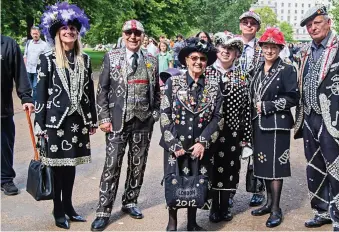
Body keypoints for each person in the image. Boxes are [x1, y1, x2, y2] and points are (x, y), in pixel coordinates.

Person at [294, 6, 339, 231]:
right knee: (314, 168)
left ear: (329, 22)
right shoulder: (305, 50)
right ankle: (322, 211)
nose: (312, 28)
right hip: (309, 118)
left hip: (334, 118)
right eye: (308, 25)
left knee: (337, 169)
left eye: (316, 23)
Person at [91, 19, 160, 231]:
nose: (133, 37)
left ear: (143, 36)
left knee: (138, 164)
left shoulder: (151, 59)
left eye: (137, 33)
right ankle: (103, 210)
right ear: (123, 34)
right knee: (112, 165)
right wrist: (103, 118)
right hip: (117, 121)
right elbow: (102, 90)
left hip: (143, 121)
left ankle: (130, 201)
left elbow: (157, 90)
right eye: (129, 33)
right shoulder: (112, 57)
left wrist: (155, 113)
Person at [34, 2, 97, 229]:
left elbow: (88, 92)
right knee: (57, 168)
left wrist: (92, 119)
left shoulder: (85, 60)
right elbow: (39, 93)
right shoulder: (47, 58)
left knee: (71, 167)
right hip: (55, 122)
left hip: (78, 121)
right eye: (64, 29)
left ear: (77, 32)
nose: (69, 31)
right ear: (57, 33)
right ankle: (58, 209)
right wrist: (39, 124)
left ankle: (69, 206)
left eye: (72, 28)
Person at [160, 37, 221, 231]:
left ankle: (193, 222)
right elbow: (164, 114)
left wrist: (203, 141)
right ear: (186, 60)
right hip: (175, 144)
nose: (198, 62)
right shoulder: (173, 82)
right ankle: (172, 222)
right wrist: (174, 144)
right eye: (194, 58)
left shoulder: (213, 86)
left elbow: (219, 118)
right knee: (174, 180)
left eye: (202, 59)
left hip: (199, 146)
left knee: (197, 181)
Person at [249, 27, 299, 228]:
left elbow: (293, 97)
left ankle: (277, 209)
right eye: (266, 46)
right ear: (261, 47)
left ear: (280, 49)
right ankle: (268, 203)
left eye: (273, 47)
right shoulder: (256, 69)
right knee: (262, 165)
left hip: (277, 125)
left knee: (276, 167)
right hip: (258, 124)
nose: (269, 50)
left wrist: (269, 106)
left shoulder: (287, 69)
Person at [206, 32, 251, 223]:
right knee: (211, 168)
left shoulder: (242, 76)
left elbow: (247, 108)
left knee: (230, 169)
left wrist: (246, 137)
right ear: (217, 50)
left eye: (230, 49)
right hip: (209, 132)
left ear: (236, 54)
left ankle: (225, 206)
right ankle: (213, 207)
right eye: (222, 48)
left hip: (233, 132)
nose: (225, 51)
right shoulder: (206, 72)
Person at [238, 9, 265, 207]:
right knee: (230, 147)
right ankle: (227, 191)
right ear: (240, 25)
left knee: (256, 148)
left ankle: (257, 190)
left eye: (252, 23)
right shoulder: (229, 44)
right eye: (245, 22)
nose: (249, 25)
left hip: (255, 104)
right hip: (232, 104)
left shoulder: (263, 48)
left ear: (257, 27)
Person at [1, 35, 34, 196]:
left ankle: (5, 178)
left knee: (4, 144)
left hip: (2, 107)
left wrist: (26, 97)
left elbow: (19, 72)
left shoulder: (8, 44)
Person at [23, 26, 50, 102]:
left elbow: (47, 58)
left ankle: (34, 103)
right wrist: (24, 68)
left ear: (39, 33)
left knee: (35, 87)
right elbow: (25, 55)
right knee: (29, 87)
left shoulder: (45, 45)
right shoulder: (28, 43)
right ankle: (30, 101)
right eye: (33, 33)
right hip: (28, 69)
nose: (35, 35)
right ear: (31, 34)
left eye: (36, 33)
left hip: (38, 70)